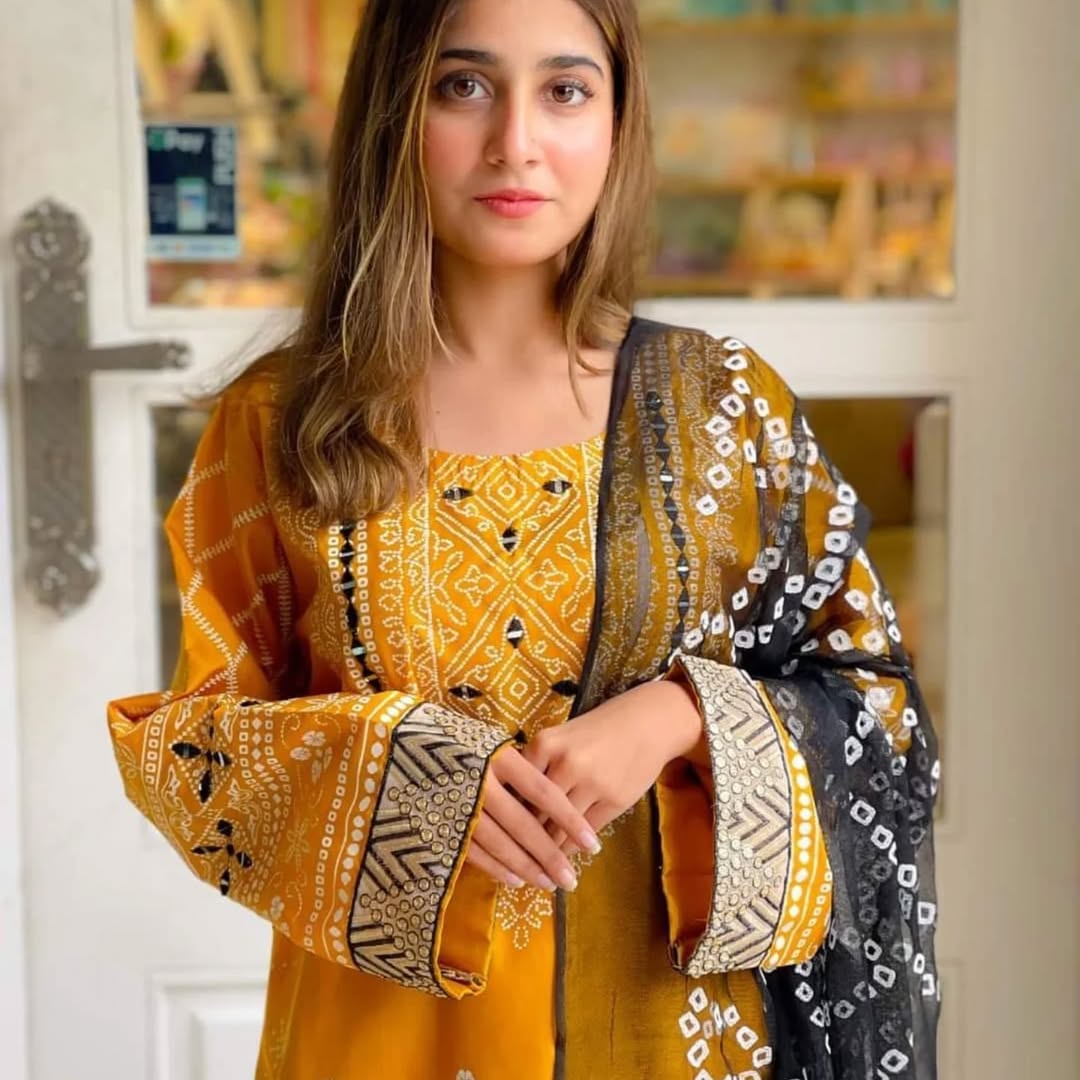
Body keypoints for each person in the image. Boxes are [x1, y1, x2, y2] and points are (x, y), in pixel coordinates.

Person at [106, 1, 940, 1077]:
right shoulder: (286, 423)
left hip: (666, 1037)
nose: (516, 142)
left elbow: (880, 713)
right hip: (381, 1039)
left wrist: (680, 717)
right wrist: (395, 771)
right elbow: (195, 754)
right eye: (463, 86)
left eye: (564, 90)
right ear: (394, 114)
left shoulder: (721, 411)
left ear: (616, 121)